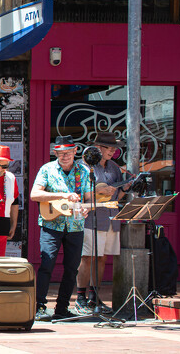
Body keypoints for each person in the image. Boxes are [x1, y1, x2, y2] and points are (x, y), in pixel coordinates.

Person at [30, 136, 93, 321]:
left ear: (75, 152)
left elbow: (89, 199)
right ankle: (39, 306)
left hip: (75, 225)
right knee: (47, 264)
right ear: (55, 153)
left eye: (68, 152)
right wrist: (62, 195)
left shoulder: (84, 171)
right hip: (51, 224)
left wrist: (86, 208)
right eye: (60, 153)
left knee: (72, 268)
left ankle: (62, 308)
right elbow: (35, 194)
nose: (65, 156)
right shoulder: (47, 169)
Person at [76, 132, 129, 313]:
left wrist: (126, 187)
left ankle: (94, 297)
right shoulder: (84, 166)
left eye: (115, 148)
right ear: (98, 148)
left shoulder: (114, 167)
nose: (113, 151)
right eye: (110, 148)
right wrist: (97, 194)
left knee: (102, 258)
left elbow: (117, 196)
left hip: (111, 217)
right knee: (88, 256)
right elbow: (80, 194)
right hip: (91, 217)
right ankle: (80, 296)